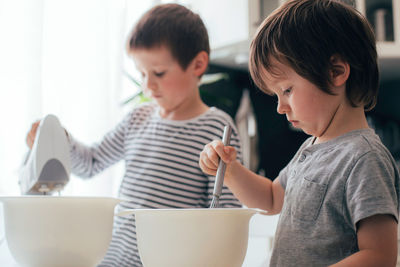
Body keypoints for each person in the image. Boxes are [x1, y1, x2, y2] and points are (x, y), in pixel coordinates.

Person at [26, 3, 242, 267]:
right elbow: (90, 164)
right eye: (142, 73)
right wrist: (58, 139)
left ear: (197, 65)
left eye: (159, 73)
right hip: (113, 261)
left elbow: (224, 216)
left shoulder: (216, 128)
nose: (147, 85)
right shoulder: (136, 119)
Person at [199, 0, 400, 266]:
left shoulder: (364, 157)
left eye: (287, 90)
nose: (280, 107)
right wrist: (231, 169)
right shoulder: (311, 148)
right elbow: (271, 198)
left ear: (336, 72)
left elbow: (380, 255)